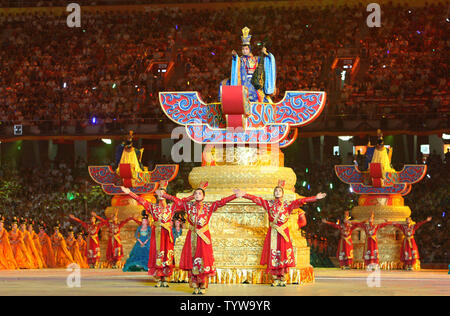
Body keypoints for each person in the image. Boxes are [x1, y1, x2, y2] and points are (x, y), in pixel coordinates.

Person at [161, 187, 244, 294]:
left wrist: (235, 196)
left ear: (203, 196)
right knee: (192, 260)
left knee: (203, 260)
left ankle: (203, 285)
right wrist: (164, 195)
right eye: (195, 193)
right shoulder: (189, 206)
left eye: (199, 193)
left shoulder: (208, 206)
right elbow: (178, 201)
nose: (197, 195)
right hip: (191, 237)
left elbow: (221, 202)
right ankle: (195, 285)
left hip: (203, 237)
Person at [242, 182, 326, 286]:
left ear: (282, 193)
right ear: (274, 193)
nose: (277, 192)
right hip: (273, 233)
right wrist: (244, 195)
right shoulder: (269, 204)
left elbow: (301, 201)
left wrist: (315, 198)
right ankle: (275, 279)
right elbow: (256, 199)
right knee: (273, 254)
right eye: (276, 191)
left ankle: (283, 278)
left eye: (279, 191)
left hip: (283, 233)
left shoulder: (288, 205)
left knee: (283, 254)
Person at [120, 183, 195, 287]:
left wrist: (193, 195)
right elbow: (140, 200)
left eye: (163, 192)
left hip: (167, 236)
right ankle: (159, 278)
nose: (160, 194)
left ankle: (166, 278)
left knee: (167, 256)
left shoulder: (171, 207)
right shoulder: (152, 207)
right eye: (159, 192)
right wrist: (129, 192)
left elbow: (182, 201)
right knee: (158, 256)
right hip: (157, 236)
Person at [227, 26, 276, 102]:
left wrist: (266, 54)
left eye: (246, 49)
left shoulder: (256, 58)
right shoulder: (241, 59)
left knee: (262, 97)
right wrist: (235, 57)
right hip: (244, 81)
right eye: (243, 49)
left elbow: (267, 61)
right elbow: (237, 64)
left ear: (250, 49)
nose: (244, 51)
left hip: (255, 81)